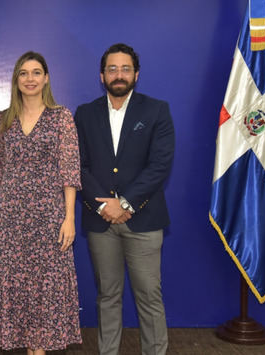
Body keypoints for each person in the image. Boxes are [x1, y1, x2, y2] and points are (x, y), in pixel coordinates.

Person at [74, 43, 175, 355]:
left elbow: (160, 165)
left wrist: (126, 203)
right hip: (100, 220)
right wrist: (105, 205)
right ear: (102, 76)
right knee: (107, 295)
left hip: (143, 220)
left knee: (149, 295)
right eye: (112, 69)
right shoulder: (85, 113)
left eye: (125, 68)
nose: (119, 74)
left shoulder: (156, 110)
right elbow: (78, 165)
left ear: (136, 74)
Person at [0, 51, 82, 354]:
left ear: (46, 78)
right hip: (10, 219)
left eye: (36, 72)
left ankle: (38, 350)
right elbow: (1, 170)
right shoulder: (2, 119)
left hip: (49, 218)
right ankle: (24, 346)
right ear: (16, 79)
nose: (30, 79)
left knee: (44, 287)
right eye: (23, 73)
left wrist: (69, 218)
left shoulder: (61, 116)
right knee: (14, 286)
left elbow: (70, 170)